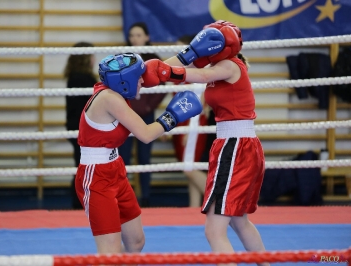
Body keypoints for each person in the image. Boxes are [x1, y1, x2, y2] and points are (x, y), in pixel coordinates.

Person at [142, 20, 269, 266]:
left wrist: (168, 73)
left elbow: (200, 75)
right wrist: (151, 70)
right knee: (239, 220)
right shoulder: (219, 63)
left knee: (214, 231)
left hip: (236, 147)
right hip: (233, 145)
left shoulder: (230, 66)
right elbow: (167, 68)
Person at [74, 51, 205, 255]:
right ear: (124, 82)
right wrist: (173, 116)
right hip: (96, 176)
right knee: (110, 252)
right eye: (138, 78)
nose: (143, 81)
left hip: (115, 169)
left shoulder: (117, 89)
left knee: (136, 243)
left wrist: (191, 53)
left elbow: (157, 69)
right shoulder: (110, 99)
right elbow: (145, 134)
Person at [119, 22, 166, 207]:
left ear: (146, 37)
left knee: (145, 156)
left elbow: (162, 87)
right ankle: (123, 196)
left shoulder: (153, 59)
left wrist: (148, 107)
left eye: (139, 35)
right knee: (122, 156)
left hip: (146, 115)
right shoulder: (123, 58)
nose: (135, 39)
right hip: (125, 115)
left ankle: (146, 196)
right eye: (132, 35)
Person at [172, 35, 215, 207]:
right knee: (192, 167)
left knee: (189, 168)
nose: (177, 53)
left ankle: (218, 201)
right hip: (182, 123)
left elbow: (200, 104)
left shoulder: (199, 71)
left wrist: (189, 129)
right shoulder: (183, 71)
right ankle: (194, 207)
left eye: (181, 49)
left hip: (193, 124)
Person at [63, 42, 98, 209]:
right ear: (86, 58)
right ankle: (79, 202)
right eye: (92, 55)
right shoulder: (84, 78)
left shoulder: (74, 76)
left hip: (75, 126)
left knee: (82, 164)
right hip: (82, 128)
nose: (94, 59)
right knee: (83, 166)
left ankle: (80, 202)